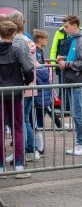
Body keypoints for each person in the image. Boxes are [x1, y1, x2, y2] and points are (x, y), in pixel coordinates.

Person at [0, 20, 34, 178]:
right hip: (15, 92)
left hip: (1, 92)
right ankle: (19, 164)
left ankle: (1, 166)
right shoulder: (17, 51)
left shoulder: (15, 51)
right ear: (13, 34)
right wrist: (26, 81)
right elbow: (28, 69)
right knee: (18, 128)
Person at [57, 15, 82, 156]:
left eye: (66, 26)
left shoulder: (81, 41)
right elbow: (77, 59)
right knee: (76, 113)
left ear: (74, 26)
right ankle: (81, 144)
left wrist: (66, 64)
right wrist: (65, 59)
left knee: (78, 114)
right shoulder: (75, 40)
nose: (64, 29)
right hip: (74, 81)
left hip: (78, 82)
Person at [8, 11, 41, 162]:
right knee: (25, 120)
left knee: (21, 121)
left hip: (22, 86)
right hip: (29, 86)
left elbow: (24, 66)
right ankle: (30, 150)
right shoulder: (27, 40)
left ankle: (26, 151)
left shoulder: (17, 42)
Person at [32, 29, 52, 155]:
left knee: (38, 119)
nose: (46, 41)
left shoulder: (39, 51)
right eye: (45, 39)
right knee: (37, 119)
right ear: (39, 39)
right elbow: (40, 70)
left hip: (41, 91)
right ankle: (39, 147)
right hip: (40, 90)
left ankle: (39, 146)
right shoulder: (37, 52)